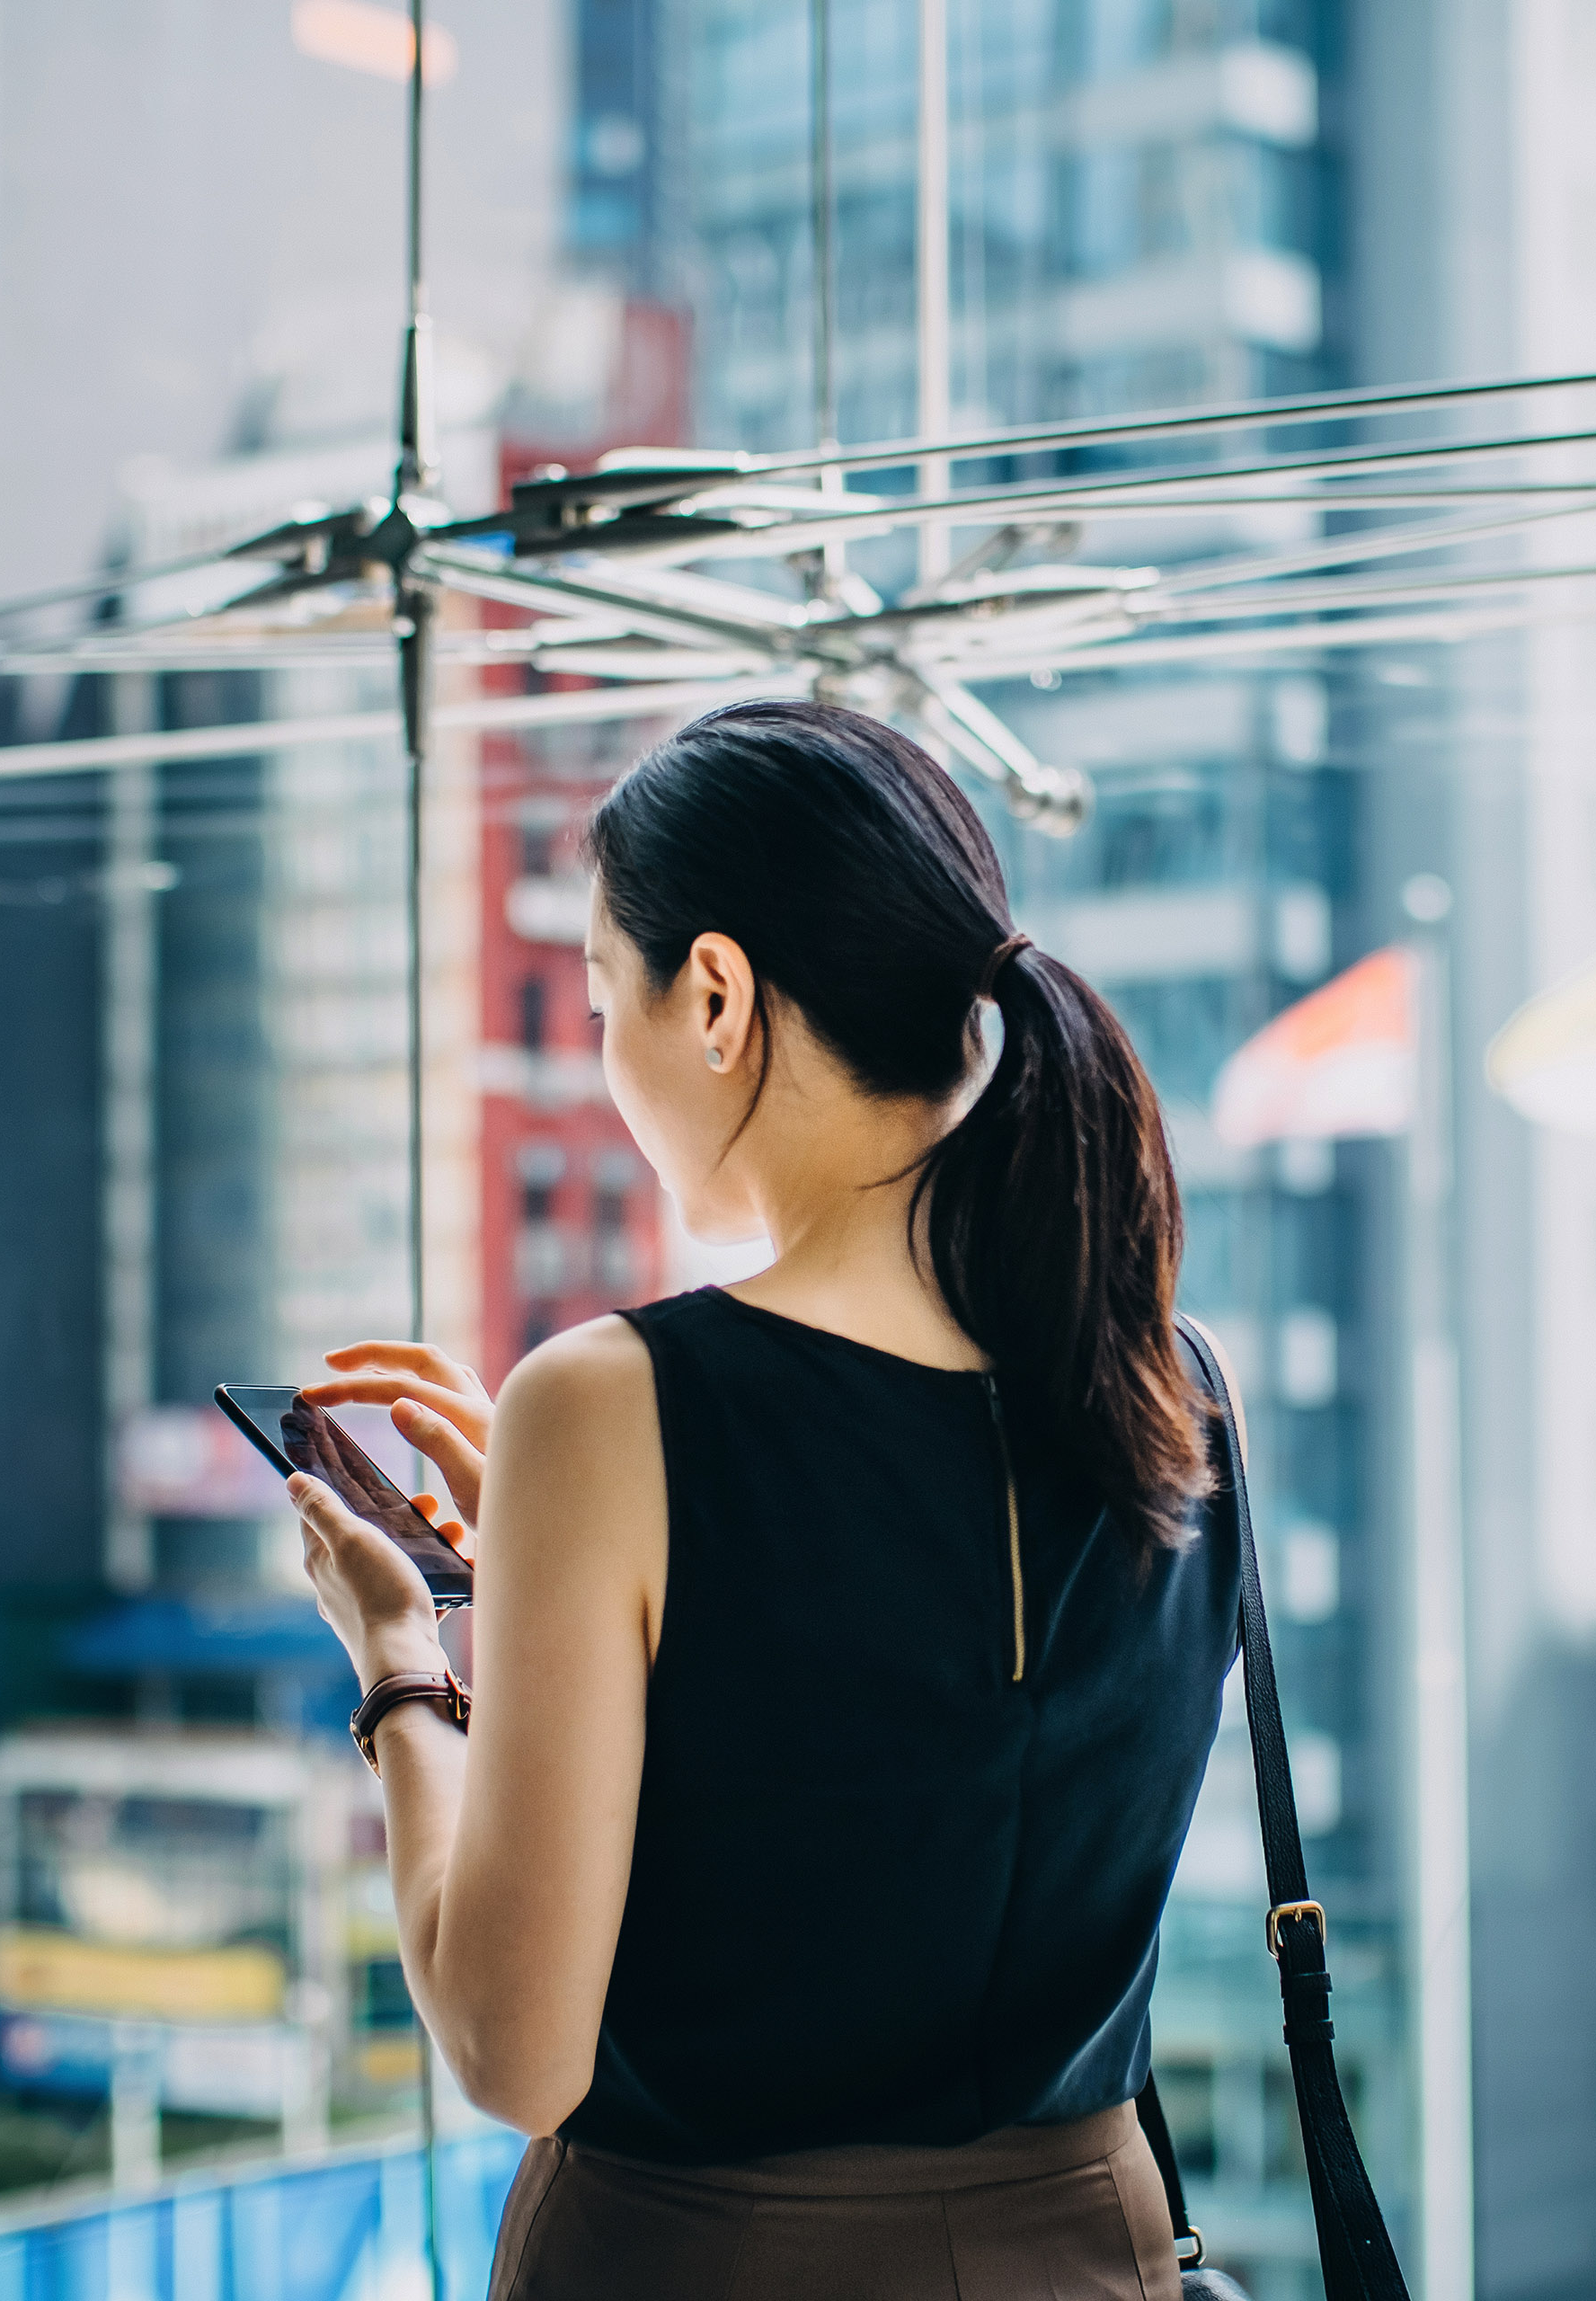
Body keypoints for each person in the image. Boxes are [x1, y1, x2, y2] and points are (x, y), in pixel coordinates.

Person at [289, 698, 1244, 2300]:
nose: (606, 1063)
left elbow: (514, 2054)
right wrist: (550, 1558)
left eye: (607, 998)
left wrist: (401, 1664)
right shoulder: (1177, 1386)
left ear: (716, 995)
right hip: (1096, 2260)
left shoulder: (611, 1405)